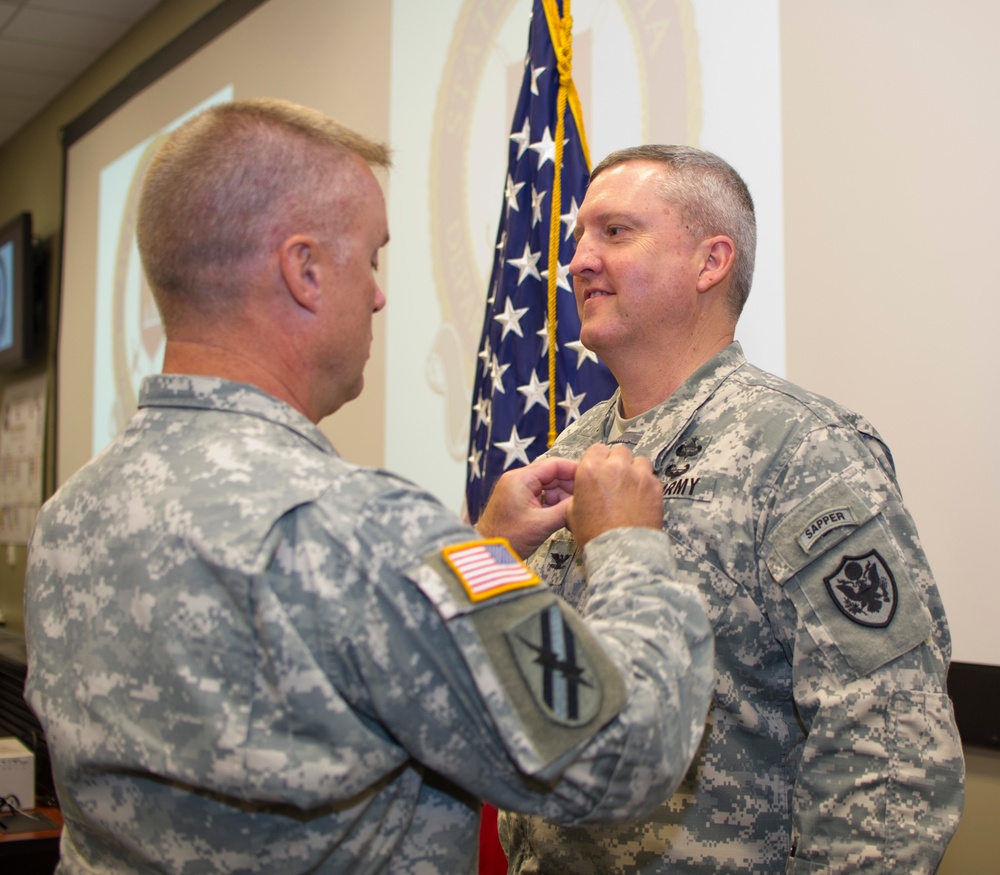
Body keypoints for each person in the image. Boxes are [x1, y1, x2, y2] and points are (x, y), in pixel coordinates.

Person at [23, 103, 715, 874]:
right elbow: (623, 747)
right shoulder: (366, 532)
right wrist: (627, 545)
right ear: (305, 270)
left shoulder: (71, 514)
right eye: (372, 259)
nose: (379, 296)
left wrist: (484, 553)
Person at [498, 145, 965, 873]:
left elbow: (890, 748)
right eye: (579, 237)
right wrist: (482, 550)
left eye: (615, 232)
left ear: (710, 262)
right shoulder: (568, 453)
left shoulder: (803, 447)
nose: (580, 259)